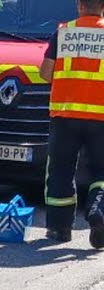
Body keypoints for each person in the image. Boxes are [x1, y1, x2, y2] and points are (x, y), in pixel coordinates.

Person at [39, 0, 104, 247]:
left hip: (65, 117)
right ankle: (98, 210)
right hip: (101, 117)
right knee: (102, 171)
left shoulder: (64, 32)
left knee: (60, 172)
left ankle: (58, 230)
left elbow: (45, 73)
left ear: (79, 5)